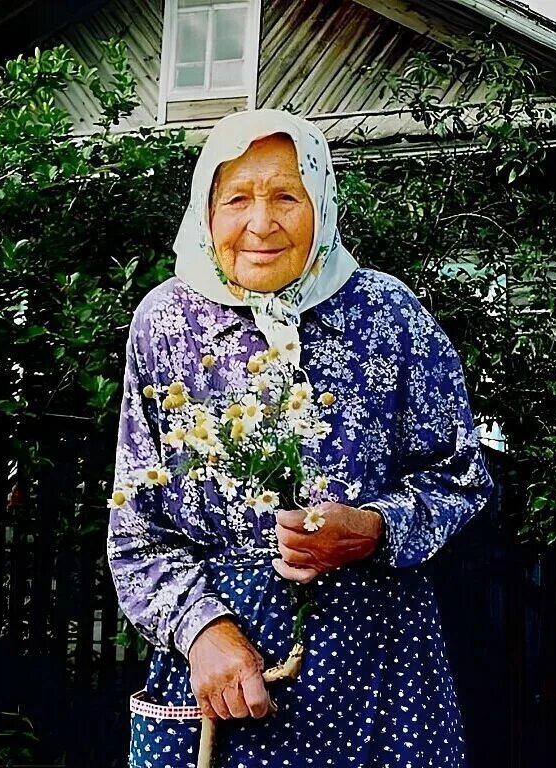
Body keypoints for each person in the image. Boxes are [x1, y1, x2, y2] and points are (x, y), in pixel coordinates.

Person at [107, 108, 494, 768]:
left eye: (287, 196)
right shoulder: (165, 322)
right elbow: (135, 526)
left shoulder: (387, 313)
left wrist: (375, 527)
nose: (261, 224)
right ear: (207, 210)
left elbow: (461, 478)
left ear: (322, 201)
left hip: (383, 663)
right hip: (227, 677)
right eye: (237, 199)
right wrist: (201, 631)